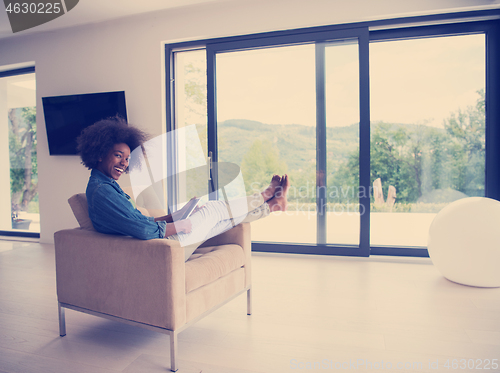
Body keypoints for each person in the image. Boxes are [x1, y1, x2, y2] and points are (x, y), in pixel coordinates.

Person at [77, 117, 290, 260]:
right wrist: (181, 226)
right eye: (118, 156)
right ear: (100, 154)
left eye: (127, 158)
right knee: (213, 209)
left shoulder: (108, 186)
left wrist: (174, 216)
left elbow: (139, 221)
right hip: (159, 247)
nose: (124, 163)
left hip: (159, 239)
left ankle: (271, 206)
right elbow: (141, 230)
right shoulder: (101, 192)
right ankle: (265, 195)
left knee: (221, 220)